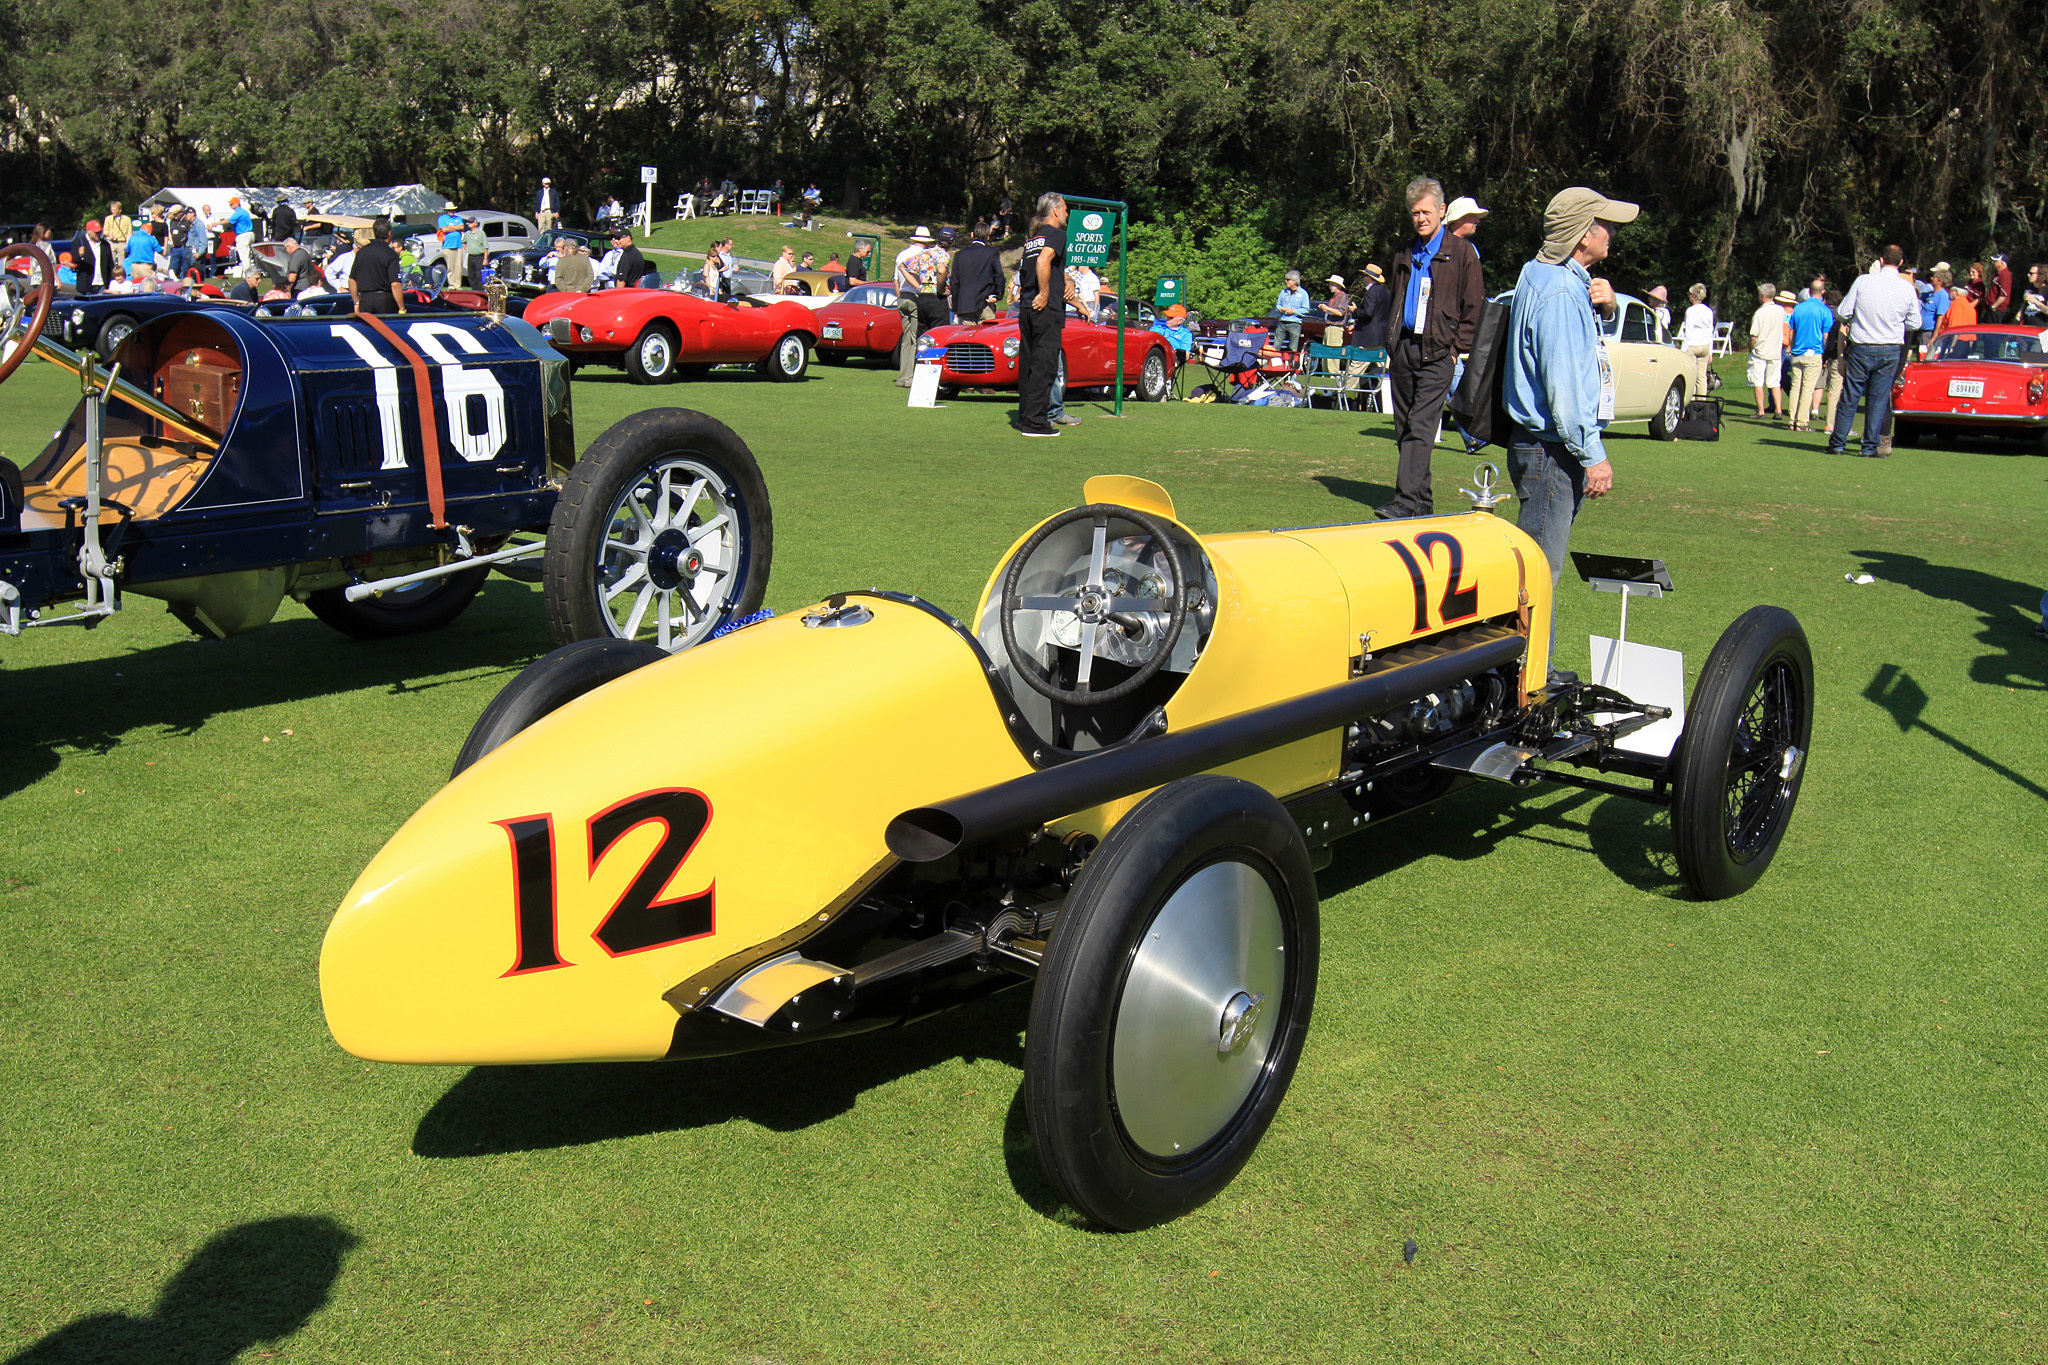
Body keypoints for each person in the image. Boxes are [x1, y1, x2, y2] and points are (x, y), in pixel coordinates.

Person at [1503, 187, 1638, 677]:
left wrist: (1603, 305)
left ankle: (1527, 668)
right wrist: (1592, 454)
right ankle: (1529, 674)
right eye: (1606, 224)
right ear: (1584, 235)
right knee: (1539, 571)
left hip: (1543, 446)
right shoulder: (1561, 291)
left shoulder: (1547, 275)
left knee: (1538, 566)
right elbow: (1563, 385)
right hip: (1551, 450)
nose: (1613, 233)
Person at [1381, 177, 1484, 519]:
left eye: (1426, 212)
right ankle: (1421, 500)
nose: (1420, 218)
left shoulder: (1462, 253)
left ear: (1442, 210)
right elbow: (1394, 298)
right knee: (1404, 428)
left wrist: (1456, 349)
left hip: (1439, 353)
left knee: (1421, 426)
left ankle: (1406, 501)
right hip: (1404, 349)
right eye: (1414, 213)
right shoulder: (1404, 251)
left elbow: (1474, 306)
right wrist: (1392, 342)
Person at [1826, 244, 1918, 458]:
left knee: (1850, 396)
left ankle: (1838, 443)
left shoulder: (1863, 281)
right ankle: (1868, 447)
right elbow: (1915, 322)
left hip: (1862, 346)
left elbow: (1843, 312)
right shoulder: (1906, 289)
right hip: (1889, 349)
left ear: (1881, 260)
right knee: (1878, 400)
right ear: (1901, 262)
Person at [1017, 194, 1070, 436]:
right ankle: (1036, 422)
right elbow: (1043, 261)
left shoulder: (1033, 239)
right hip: (1044, 309)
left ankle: (1025, 416)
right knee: (1044, 365)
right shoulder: (1056, 235)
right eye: (1066, 209)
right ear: (1057, 211)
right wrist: (1046, 293)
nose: (1068, 214)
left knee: (1028, 364)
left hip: (1026, 308)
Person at [893, 227, 946, 387]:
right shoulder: (922, 256)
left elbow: (896, 279)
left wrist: (899, 297)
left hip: (903, 296)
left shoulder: (901, 254)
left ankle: (904, 376)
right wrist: (919, 287)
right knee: (918, 339)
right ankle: (916, 376)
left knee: (907, 340)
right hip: (916, 297)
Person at [1785, 287, 1832, 431]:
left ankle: (1792, 419)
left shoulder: (1798, 309)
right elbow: (1825, 336)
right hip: (1813, 352)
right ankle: (1802, 422)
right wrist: (1824, 354)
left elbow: (1792, 332)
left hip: (1797, 352)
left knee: (1796, 386)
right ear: (1822, 292)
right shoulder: (1824, 310)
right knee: (1807, 388)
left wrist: (1792, 348)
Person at [948, 224, 1004, 324]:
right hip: (985, 303)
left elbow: (955, 282)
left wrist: (956, 306)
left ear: (972, 234)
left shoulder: (959, 255)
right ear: (988, 236)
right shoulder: (991, 253)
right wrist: (997, 295)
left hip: (965, 305)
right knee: (985, 337)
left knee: (966, 337)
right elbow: (999, 276)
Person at [349, 219, 406, 315]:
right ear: (390, 233)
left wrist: (356, 302)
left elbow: (352, 280)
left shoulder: (362, 252)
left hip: (365, 300)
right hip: (385, 300)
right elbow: (395, 284)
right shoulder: (391, 254)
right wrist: (401, 308)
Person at [1747, 283, 1786, 419]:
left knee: (1758, 381)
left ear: (1763, 296)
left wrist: (1751, 349)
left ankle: (1761, 411)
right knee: (1775, 381)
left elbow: (1753, 335)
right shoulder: (1780, 310)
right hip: (1775, 351)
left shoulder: (1760, 313)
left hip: (1760, 352)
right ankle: (1778, 410)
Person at [1680, 284, 1715, 397]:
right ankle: (1702, 402)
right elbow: (1710, 330)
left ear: (1694, 295)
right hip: (1704, 345)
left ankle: (1689, 402)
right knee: (1701, 377)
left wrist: (1683, 350)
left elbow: (1688, 332)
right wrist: (1710, 351)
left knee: (1690, 375)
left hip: (1693, 345)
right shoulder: (1708, 311)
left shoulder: (1690, 311)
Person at [1820, 287, 1847, 431]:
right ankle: (1831, 424)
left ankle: (1833, 422)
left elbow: (1830, 343)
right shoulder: (1842, 322)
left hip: (1836, 358)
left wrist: (1825, 357)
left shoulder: (1838, 322)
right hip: (1842, 359)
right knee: (1837, 391)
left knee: (1834, 390)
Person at [1351, 264, 1390, 350]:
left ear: (1369, 278)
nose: (1363, 278)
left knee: (1358, 362)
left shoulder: (1371, 291)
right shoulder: (1384, 291)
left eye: (1364, 275)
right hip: (1381, 336)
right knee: (1382, 361)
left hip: (1368, 338)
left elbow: (1368, 313)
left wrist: (1355, 311)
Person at [73, 220, 117, 296]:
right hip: (86, 285)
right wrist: (80, 255)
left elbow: (110, 265)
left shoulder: (105, 245)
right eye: (96, 232)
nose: (98, 234)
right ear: (88, 231)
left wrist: (111, 282)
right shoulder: (79, 242)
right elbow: (74, 261)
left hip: (102, 285)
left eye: (99, 232)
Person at [1273, 270, 1310, 350]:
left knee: (1292, 348)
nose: (1286, 281)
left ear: (1294, 281)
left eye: (1288, 280)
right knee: (1276, 346)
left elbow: (1306, 309)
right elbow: (1278, 305)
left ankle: (1290, 362)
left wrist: (1293, 311)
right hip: (1282, 322)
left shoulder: (1303, 294)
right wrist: (1280, 309)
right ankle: (1273, 361)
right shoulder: (1283, 292)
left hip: (1295, 324)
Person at [1317, 275, 1350, 345]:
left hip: (1335, 329)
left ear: (1338, 285)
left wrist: (1327, 308)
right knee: (1326, 353)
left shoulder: (1342, 296)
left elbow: (1340, 313)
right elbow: (1331, 311)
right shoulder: (1333, 297)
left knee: (1332, 353)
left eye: (1332, 284)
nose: (1330, 286)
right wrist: (1324, 308)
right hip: (1328, 327)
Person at [1987, 253, 2012, 323]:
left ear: (2002, 263)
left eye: (1996, 261)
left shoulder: (2005, 275)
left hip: (1997, 309)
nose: (1994, 263)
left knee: (1993, 330)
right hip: (1992, 308)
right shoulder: (1999, 274)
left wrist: (1994, 306)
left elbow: (2003, 294)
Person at [464, 218, 488, 287]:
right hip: (471, 256)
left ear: (476, 224)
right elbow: (463, 242)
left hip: (479, 257)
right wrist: (467, 249)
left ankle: (480, 290)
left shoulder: (481, 233)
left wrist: (485, 258)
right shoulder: (467, 234)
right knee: (471, 275)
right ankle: (474, 289)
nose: (469, 224)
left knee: (478, 275)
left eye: (471, 222)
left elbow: (485, 246)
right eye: (468, 222)